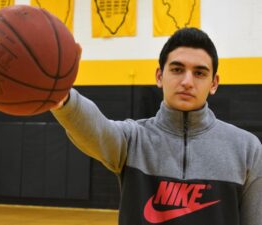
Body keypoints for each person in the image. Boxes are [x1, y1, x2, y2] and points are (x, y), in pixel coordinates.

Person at [51, 28, 262, 225]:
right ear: (160, 76)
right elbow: (96, 129)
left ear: (214, 83)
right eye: (177, 69)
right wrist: (63, 97)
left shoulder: (246, 148)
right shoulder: (133, 140)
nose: (187, 81)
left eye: (199, 73)